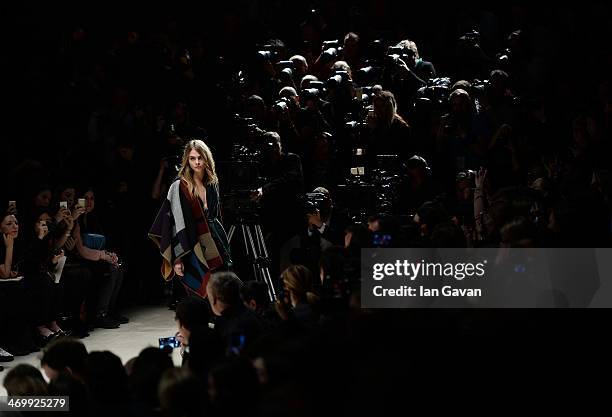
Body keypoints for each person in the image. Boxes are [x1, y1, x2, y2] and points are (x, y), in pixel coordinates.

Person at [149, 139, 232, 298]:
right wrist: (178, 258)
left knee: (222, 291)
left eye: (200, 158)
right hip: (192, 244)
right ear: (187, 160)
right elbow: (175, 224)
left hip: (215, 240)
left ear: (206, 158)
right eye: (192, 158)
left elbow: (217, 215)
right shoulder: (180, 185)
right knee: (200, 295)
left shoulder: (212, 182)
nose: (197, 162)